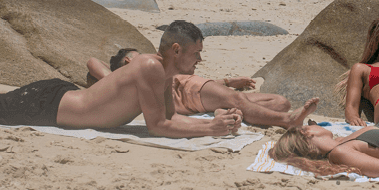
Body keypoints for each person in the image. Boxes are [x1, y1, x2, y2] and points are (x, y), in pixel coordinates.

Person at [0, 21, 242, 138]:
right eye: (195, 54)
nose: (199, 60)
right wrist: (211, 130)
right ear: (175, 51)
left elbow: (169, 113)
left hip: (60, 97)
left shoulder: (159, 71)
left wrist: (211, 122)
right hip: (49, 107)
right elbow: (158, 125)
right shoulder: (152, 68)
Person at [87, 50, 319, 129]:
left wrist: (229, 82)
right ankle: (287, 121)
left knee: (280, 101)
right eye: (139, 56)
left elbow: (201, 88)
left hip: (196, 96)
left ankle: (228, 112)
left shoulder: (150, 79)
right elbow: (92, 62)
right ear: (128, 62)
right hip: (192, 90)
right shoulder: (130, 77)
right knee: (243, 102)